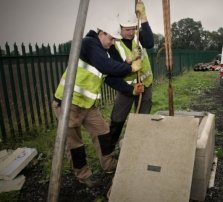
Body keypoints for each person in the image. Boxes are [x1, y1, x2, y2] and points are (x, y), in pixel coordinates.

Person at [52, 22, 144, 188]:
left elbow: (110, 78)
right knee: (75, 143)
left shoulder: (103, 53)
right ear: (101, 33)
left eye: (115, 40)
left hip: (88, 105)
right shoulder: (88, 43)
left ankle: (108, 165)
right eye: (111, 38)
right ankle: (83, 174)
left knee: (103, 132)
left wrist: (131, 91)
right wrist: (129, 68)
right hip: (67, 103)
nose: (113, 42)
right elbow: (105, 66)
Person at [108, 1, 154, 145]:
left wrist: (144, 18)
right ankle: (111, 145)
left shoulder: (138, 35)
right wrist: (129, 62)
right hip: (127, 88)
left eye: (132, 28)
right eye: (126, 29)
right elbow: (115, 69)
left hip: (145, 84)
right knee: (118, 117)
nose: (130, 33)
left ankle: (138, 143)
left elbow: (150, 43)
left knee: (142, 118)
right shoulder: (113, 43)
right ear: (119, 27)